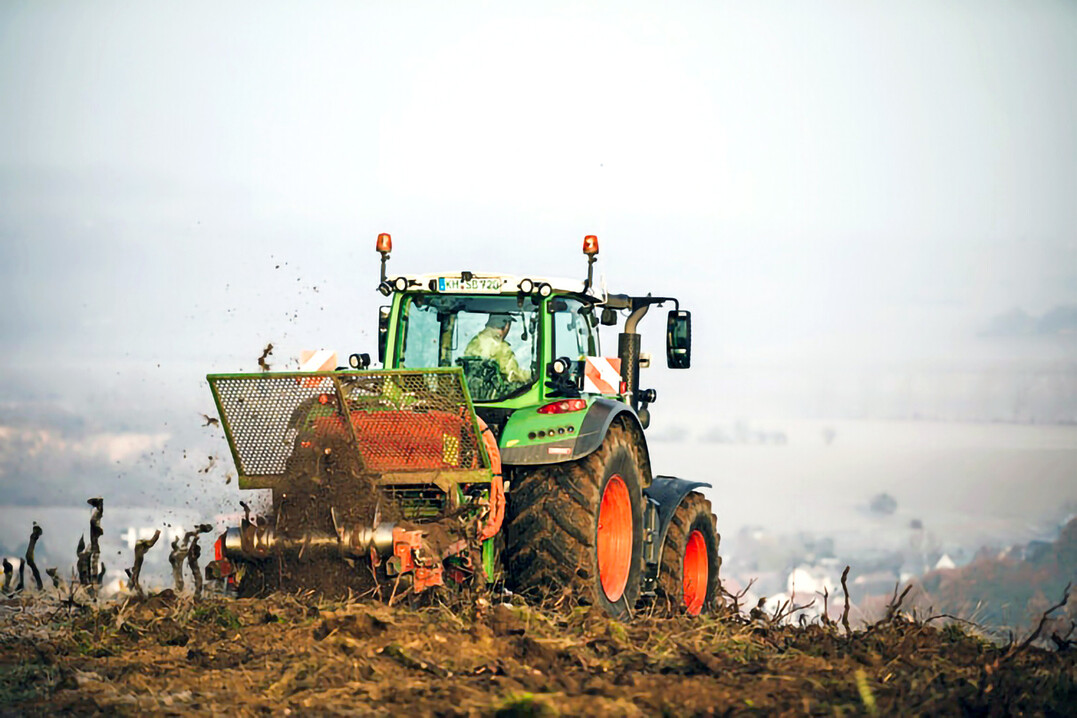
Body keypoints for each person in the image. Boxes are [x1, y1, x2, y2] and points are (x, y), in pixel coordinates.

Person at [464, 313, 532, 383]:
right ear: (506, 326)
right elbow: (512, 375)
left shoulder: (475, 341)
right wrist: (532, 375)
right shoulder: (500, 347)